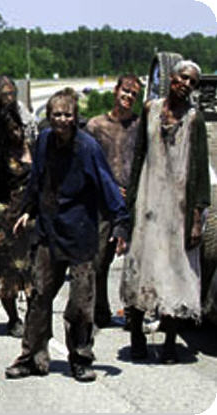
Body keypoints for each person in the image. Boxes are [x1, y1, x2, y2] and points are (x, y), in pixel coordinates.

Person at [5, 88, 129, 383]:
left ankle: (81, 358)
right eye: (57, 115)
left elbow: (108, 186)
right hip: (49, 230)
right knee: (39, 296)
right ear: (49, 116)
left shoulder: (88, 148)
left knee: (80, 303)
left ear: (75, 118)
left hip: (80, 234)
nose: (61, 120)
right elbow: (37, 179)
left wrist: (121, 225)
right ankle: (32, 357)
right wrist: (27, 210)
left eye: (67, 115)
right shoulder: (44, 140)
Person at [121, 60, 209, 363]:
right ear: (172, 78)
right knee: (141, 269)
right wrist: (130, 205)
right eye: (183, 77)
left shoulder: (194, 120)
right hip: (148, 202)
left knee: (173, 272)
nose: (186, 84)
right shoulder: (151, 110)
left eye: (192, 82)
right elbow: (138, 157)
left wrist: (196, 218)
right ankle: (136, 337)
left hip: (178, 207)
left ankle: (170, 342)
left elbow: (200, 170)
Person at [84, 75, 143, 328]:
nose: (128, 97)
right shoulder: (96, 126)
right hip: (103, 204)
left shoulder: (140, 126)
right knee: (100, 260)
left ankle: (133, 313)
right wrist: (107, 188)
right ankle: (100, 309)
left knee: (136, 260)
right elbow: (86, 164)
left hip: (134, 201)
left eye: (134, 94)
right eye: (125, 91)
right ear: (116, 91)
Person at [0, 102, 35, 338]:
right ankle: (13, 318)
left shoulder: (32, 148)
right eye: (11, 130)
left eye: (18, 127)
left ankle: (33, 317)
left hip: (32, 218)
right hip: (7, 219)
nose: (17, 133)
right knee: (8, 274)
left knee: (34, 272)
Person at [0, 75, 37, 146]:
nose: (10, 98)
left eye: (12, 93)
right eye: (5, 94)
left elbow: (32, 131)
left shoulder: (20, 107)